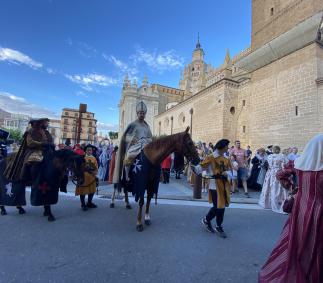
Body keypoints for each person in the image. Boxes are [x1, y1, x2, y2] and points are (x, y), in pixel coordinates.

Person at [259, 134, 323, 283]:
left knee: (297, 242)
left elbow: (280, 175)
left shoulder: (298, 164)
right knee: (316, 246)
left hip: (301, 209)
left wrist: (294, 189)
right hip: (319, 212)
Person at [113, 101, 152, 185]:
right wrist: (133, 139)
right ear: (137, 114)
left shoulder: (147, 126)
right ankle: (126, 175)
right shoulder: (133, 125)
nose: (142, 115)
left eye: (143, 113)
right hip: (136, 145)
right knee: (129, 155)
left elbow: (150, 137)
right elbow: (125, 137)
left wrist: (148, 140)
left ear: (145, 114)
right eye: (140, 113)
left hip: (145, 144)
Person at [200, 139, 231, 238]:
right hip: (214, 185)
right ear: (222, 146)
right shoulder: (211, 157)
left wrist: (228, 174)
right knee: (219, 206)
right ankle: (216, 225)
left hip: (224, 185)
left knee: (219, 206)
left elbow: (229, 170)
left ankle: (208, 220)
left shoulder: (225, 158)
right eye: (227, 146)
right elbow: (201, 169)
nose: (228, 147)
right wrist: (207, 175)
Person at [258, 146, 288, 214]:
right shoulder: (282, 156)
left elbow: (268, 165)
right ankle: (278, 203)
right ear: (279, 150)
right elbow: (284, 166)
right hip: (278, 173)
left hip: (270, 173)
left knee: (269, 187)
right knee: (278, 188)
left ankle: (268, 203)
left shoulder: (270, 156)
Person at [75, 145, 98, 211]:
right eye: (88, 150)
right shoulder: (82, 157)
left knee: (92, 190)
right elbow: (78, 167)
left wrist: (95, 173)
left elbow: (96, 167)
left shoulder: (94, 158)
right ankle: (83, 204)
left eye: (90, 150)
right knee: (83, 191)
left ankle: (89, 203)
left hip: (91, 177)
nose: (89, 151)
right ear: (85, 151)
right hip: (83, 177)